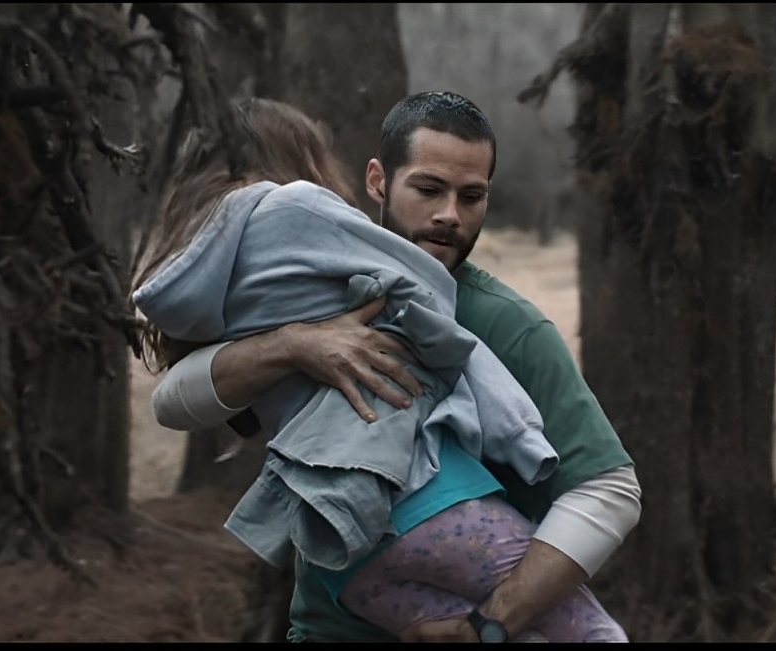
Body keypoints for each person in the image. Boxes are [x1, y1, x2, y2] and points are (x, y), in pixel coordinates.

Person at [131, 95, 638, 642]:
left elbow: (609, 490)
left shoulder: (505, 322)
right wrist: (294, 345)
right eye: (428, 189)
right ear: (377, 181)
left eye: (471, 197)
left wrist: (487, 625)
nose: (449, 214)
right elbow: (173, 402)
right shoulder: (300, 295)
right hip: (328, 626)